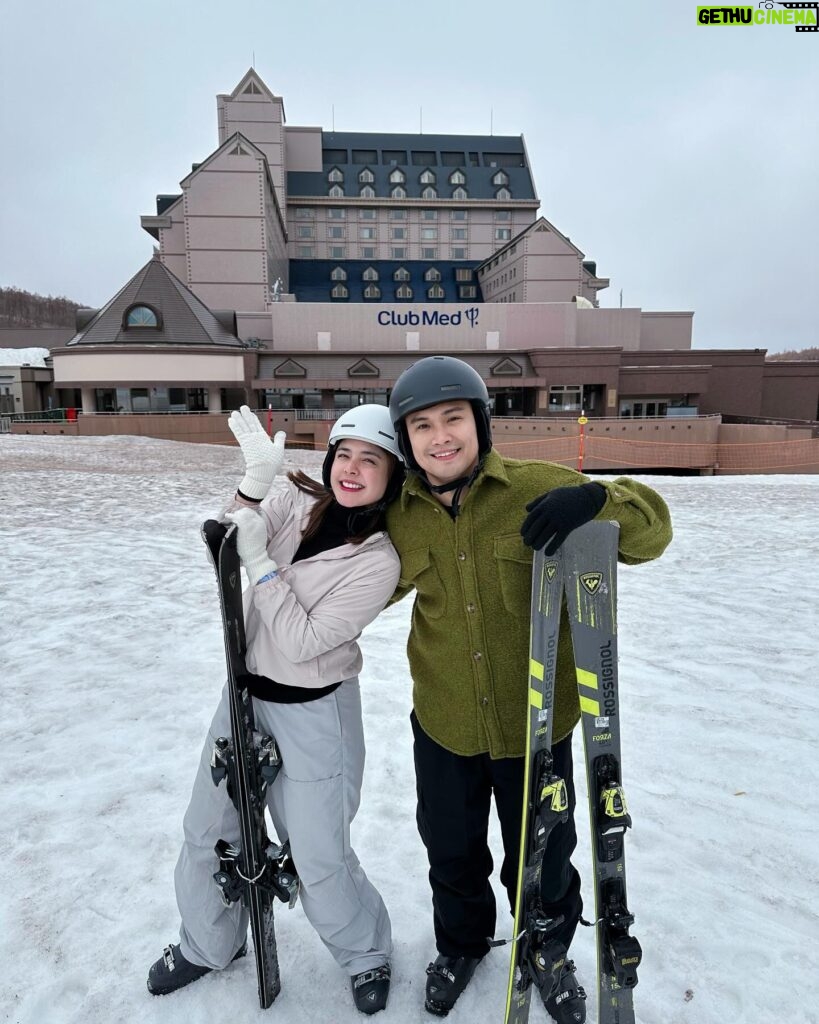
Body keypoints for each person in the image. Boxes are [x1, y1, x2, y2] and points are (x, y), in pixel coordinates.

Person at [385, 356, 673, 1021]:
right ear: (406, 439)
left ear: (480, 423)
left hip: (536, 726)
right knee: (450, 849)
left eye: (453, 418)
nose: (439, 437)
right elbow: (344, 577)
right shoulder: (397, 516)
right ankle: (460, 946)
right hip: (444, 721)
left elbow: (652, 534)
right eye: (421, 425)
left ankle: (548, 949)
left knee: (542, 857)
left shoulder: (538, 488)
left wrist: (599, 499)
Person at [147, 404, 405, 1016]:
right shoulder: (292, 499)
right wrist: (253, 485)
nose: (351, 468)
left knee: (317, 853)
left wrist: (262, 566)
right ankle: (210, 943)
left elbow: (305, 641)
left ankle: (365, 952)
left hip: (315, 713)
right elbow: (220, 545)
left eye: (371, 460)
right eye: (344, 453)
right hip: (243, 693)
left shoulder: (377, 561)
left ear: (394, 476)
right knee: (208, 830)